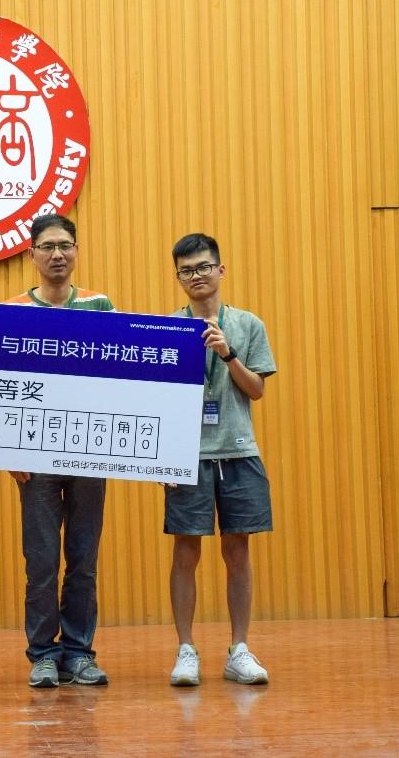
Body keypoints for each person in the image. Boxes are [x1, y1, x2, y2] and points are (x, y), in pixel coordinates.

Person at [5, 214, 114, 688]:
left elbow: (121, 377)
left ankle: (79, 652)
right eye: (47, 246)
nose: (57, 254)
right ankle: (43, 654)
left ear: (76, 250)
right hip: (35, 457)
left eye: (65, 245)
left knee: (83, 560)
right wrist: (8, 450)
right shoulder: (11, 310)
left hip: (90, 450)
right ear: (31, 254)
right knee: (43, 562)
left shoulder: (100, 305)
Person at [164, 233, 277, 687]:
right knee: (186, 550)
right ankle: (186, 650)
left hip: (238, 449)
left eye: (203, 267)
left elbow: (256, 389)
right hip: (186, 456)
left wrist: (226, 353)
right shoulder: (168, 328)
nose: (196, 276)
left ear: (220, 270)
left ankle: (239, 649)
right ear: (178, 278)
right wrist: (163, 460)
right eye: (186, 271)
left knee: (237, 550)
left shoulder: (248, 325)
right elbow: (157, 401)